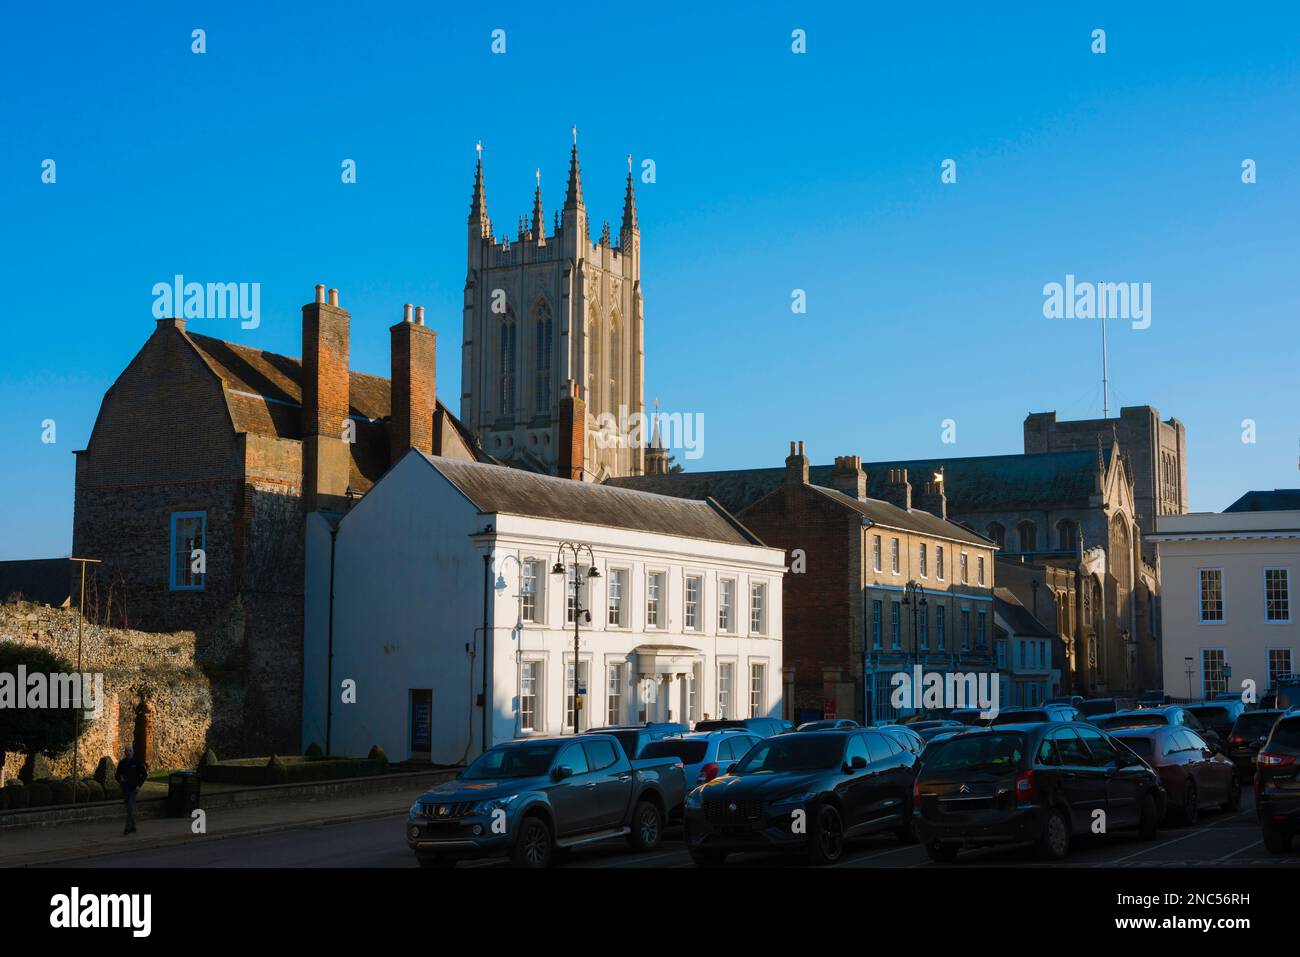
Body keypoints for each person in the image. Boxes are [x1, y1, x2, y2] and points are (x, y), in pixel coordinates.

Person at [115, 746, 147, 835]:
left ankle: (127, 828)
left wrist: (139, 785)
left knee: (130, 808)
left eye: (130, 751)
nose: (128, 752)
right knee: (129, 809)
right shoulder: (122, 763)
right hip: (125, 788)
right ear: (125, 753)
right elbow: (117, 775)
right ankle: (133, 827)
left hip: (134, 789)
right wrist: (120, 779)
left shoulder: (137, 762)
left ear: (133, 752)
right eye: (127, 751)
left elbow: (144, 775)